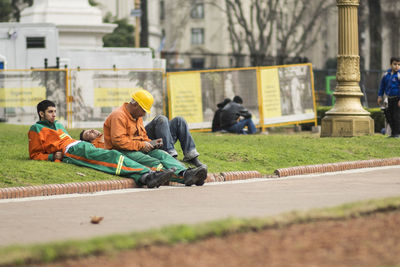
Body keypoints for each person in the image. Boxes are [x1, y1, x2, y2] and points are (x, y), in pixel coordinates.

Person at [28, 100, 174, 189]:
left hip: (80, 145)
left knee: (114, 154)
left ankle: (148, 175)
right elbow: (34, 154)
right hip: (70, 150)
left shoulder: (58, 124)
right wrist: (52, 157)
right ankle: (147, 176)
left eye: (54, 111)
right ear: (41, 114)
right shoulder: (36, 129)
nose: (54, 114)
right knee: (112, 158)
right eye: (50, 112)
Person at [103, 89, 207, 186]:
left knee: (163, 155)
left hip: (137, 148)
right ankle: (184, 177)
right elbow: (118, 142)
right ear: (136, 105)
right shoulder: (119, 116)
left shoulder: (136, 116)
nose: (144, 114)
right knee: (153, 162)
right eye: (143, 110)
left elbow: (142, 136)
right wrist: (141, 145)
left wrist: (151, 143)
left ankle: (187, 173)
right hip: (122, 151)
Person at [378, 56, 400, 138]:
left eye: (399, 64)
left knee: (396, 116)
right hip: (389, 98)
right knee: (389, 115)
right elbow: (382, 86)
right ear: (391, 64)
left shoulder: (399, 75)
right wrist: (380, 96)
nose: (397, 66)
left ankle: (397, 133)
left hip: (397, 98)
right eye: (395, 64)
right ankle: (393, 133)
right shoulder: (386, 75)